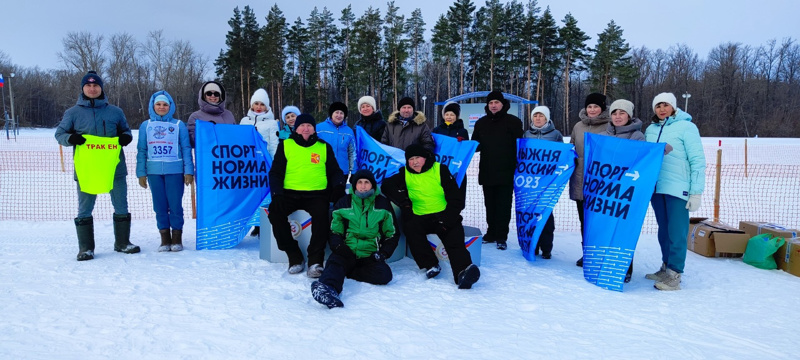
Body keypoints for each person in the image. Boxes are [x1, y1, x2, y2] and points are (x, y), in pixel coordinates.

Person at [54, 70, 139, 261]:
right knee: (85, 207)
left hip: (114, 167)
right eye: (88, 85)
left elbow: (126, 131)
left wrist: (126, 137)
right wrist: (71, 138)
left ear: (101, 88)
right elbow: (59, 134)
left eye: (96, 86)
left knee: (121, 204)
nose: (92, 89)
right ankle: (86, 248)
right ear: (83, 88)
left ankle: (122, 243)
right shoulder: (73, 113)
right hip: (87, 169)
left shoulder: (115, 112)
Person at [382, 144, 480, 289]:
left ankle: (463, 272)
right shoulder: (405, 173)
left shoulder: (440, 169)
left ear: (425, 158)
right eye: (411, 159)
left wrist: (447, 219)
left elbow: (456, 198)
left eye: (418, 158)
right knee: (411, 229)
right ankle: (430, 265)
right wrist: (404, 202)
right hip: (420, 216)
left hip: (444, 215)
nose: (414, 162)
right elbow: (387, 185)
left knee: (454, 241)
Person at [268, 113, 345, 278]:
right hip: (289, 193)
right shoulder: (286, 145)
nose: (306, 128)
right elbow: (275, 173)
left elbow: (335, 171)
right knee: (275, 213)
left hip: (316, 194)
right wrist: (277, 194)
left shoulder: (323, 146)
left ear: (314, 129)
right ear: (296, 128)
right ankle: (294, 255)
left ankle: (315, 260)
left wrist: (338, 186)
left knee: (322, 216)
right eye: (302, 125)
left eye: (309, 125)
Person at [310, 170, 398, 308]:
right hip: (347, 251)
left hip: (369, 254)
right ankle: (327, 289)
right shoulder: (344, 202)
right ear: (354, 185)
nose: (363, 186)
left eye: (366, 182)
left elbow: (391, 233)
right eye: (359, 182)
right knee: (335, 263)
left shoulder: (382, 204)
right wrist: (338, 247)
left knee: (384, 275)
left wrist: (384, 253)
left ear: (372, 185)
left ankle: (349, 271)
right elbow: (334, 230)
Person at [644, 93, 706, 291]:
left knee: (677, 232)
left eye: (665, 105)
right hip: (657, 188)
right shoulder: (651, 129)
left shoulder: (687, 127)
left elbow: (697, 161)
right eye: (658, 106)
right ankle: (665, 266)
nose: (662, 109)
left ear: (673, 107)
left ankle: (675, 274)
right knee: (664, 230)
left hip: (678, 187)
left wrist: (696, 192)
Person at [135, 91, 194, 252]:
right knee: (159, 206)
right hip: (154, 172)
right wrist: (141, 173)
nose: (162, 107)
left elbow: (186, 148)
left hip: (174, 170)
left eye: (165, 104)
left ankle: (176, 237)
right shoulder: (145, 126)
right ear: (153, 106)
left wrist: (189, 171)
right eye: (158, 104)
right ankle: (164, 238)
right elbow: (142, 149)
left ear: (170, 106)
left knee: (175, 205)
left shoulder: (178, 125)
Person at [471, 90, 524, 250]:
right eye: (491, 103)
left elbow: (521, 145)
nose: (493, 106)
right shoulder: (481, 123)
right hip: (487, 171)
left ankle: (502, 236)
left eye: (496, 103)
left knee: (503, 206)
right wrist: (461, 143)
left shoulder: (513, 122)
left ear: (503, 104)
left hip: (506, 172)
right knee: (490, 205)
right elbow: (475, 145)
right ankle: (491, 232)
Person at [602, 99, 644, 282]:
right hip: (605, 189)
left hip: (626, 191)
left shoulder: (637, 136)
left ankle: (625, 267)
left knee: (623, 229)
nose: (617, 117)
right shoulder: (604, 135)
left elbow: (642, 160)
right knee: (604, 227)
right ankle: (603, 261)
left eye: (622, 113)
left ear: (629, 115)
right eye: (614, 113)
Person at [570, 92, 611, 267]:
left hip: (601, 182)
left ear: (602, 108)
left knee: (600, 221)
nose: (592, 109)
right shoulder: (578, 126)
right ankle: (587, 253)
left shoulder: (610, 125)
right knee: (584, 221)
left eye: (596, 106)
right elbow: (571, 148)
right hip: (580, 180)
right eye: (589, 106)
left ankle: (602, 254)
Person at [522, 106, 563, 260]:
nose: (538, 118)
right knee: (530, 214)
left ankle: (546, 247)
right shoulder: (526, 134)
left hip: (548, 183)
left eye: (541, 116)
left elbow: (562, 155)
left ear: (547, 118)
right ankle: (533, 245)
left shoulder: (556, 135)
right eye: (535, 116)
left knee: (545, 214)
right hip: (530, 182)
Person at [316, 101, 355, 202]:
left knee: (338, 197)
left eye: (341, 113)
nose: (339, 115)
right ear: (331, 114)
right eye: (336, 112)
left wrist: (353, 171)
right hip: (322, 170)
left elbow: (352, 153)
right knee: (323, 197)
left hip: (342, 171)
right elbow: (313, 149)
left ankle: (338, 217)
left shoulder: (349, 131)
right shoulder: (319, 128)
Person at [187, 81, 236, 147]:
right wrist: (206, 130)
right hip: (208, 154)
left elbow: (235, 136)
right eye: (209, 93)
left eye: (216, 94)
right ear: (204, 96)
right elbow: (192, 141)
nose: (213, 96)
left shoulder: (229, 114)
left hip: (228, 153)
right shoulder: (195, 116)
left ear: (221, 96)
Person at [239, 88, 278, 157]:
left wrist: (274, 164)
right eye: (256, 103)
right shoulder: (244, 121)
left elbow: (274, 146)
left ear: (266, 107)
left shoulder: (272, 123)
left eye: (262, 104)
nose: (259, 107)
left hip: (263, 159)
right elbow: (239, 141)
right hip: (247, 158)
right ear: (252, 105)